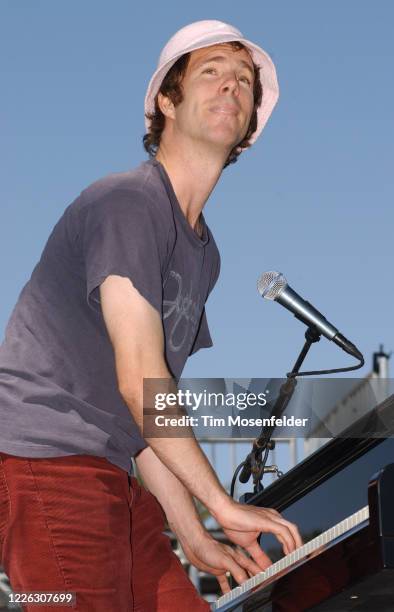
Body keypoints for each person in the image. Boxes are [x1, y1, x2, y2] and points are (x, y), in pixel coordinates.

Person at [0, 19, 302, 611]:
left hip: (109, 468)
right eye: (210, 74)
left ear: (248, 127)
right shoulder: (127, 202)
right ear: (168, 101)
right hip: (45, 463)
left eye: (243, 80)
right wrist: (221, 503)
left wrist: (194, 534)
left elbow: (144, 416)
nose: (231, 88)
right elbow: (141, 379)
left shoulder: (203, 254)